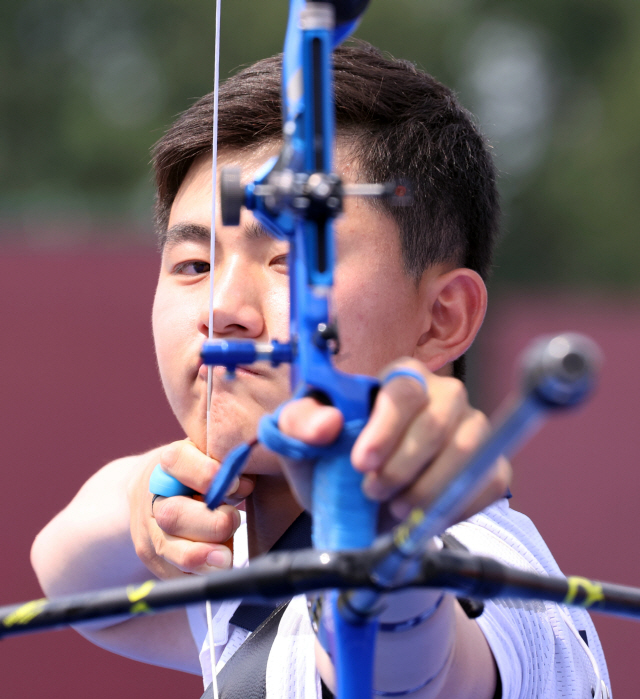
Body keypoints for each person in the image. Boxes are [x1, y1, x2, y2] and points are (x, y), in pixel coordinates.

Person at [31, 42, 610, 699]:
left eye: (292, 260)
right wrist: (141, 495)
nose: (221, 310)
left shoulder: (493, 571)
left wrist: (383, 544)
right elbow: (66, 566)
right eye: (194, 265)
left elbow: (415, 665)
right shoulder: (250, 566)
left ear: (442, 319)